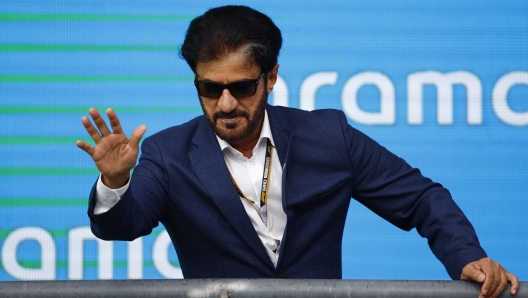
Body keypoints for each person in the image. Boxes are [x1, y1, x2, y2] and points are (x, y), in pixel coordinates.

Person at [76, 5, 519, 298]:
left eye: (243, 86)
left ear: (271, 77)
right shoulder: (169, 153)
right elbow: (122, 226)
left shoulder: (328, 135)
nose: (226, 103)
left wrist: (467, 257)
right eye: (211, 89)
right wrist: (115, 182)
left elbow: (421, 198)